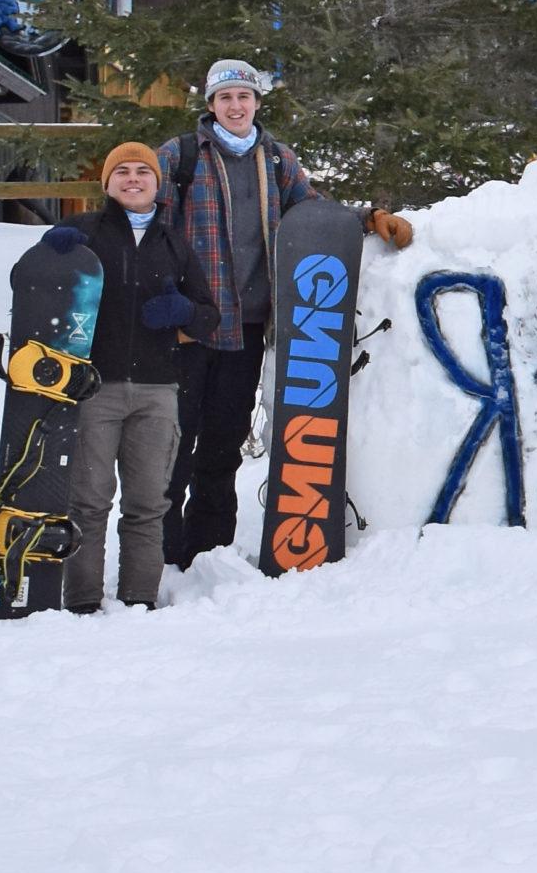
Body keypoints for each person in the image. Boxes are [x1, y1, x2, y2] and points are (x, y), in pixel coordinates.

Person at [157, 59, 411, 567]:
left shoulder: (276, 159)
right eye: (225, 97)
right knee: (171, 449)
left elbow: (314, 213)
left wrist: (369, 219)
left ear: (256, 103)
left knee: (223, 448)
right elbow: (150, 223)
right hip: (190, 329)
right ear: (210, 105)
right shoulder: (181, 157)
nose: (235, 106)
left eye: (244, 97)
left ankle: (207, 554)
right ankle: (159, 557)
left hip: (247, 329)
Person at [49, 143, 206, 612]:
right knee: (89, 503)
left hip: (158, 393)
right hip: (95, 389)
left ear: (157, 185)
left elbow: (210, 317)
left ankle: (140, 600)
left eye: (143, 172)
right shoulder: (83, 232)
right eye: (123, 171)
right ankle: (81, 600)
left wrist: (184, 310)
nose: (133, 179)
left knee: (147, 505)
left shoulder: (175, 242)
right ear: (108, 183)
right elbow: (31, 284)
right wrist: (48, 252)